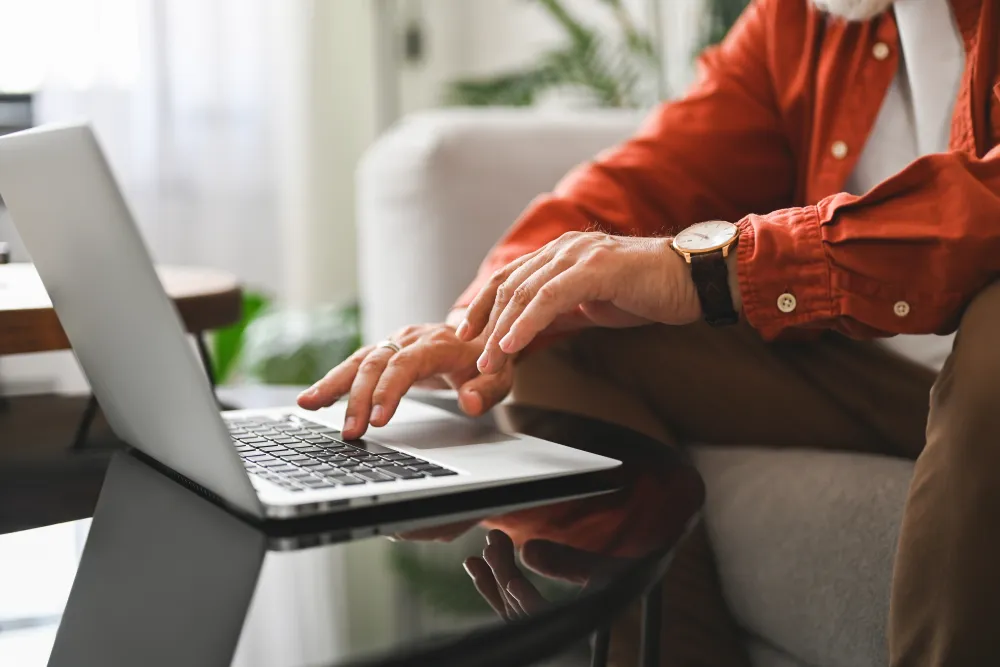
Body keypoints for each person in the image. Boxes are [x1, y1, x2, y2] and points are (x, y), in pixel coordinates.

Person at [299, 0, 1000, 664]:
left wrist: (710, 269)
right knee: (557, 327)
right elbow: (653, 171)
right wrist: (479, 322)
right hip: (882, 370)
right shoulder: (809, 18)